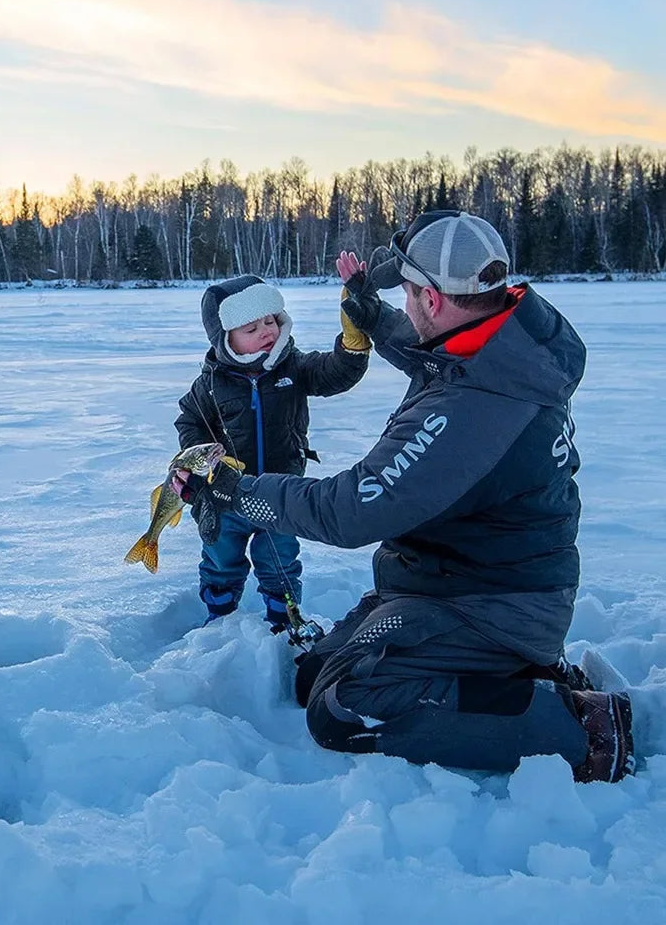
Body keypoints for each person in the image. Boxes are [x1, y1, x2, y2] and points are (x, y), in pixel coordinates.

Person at [175, 211, 633, 783]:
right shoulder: (502, 346)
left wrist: (234, 491)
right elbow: (424, 347)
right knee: (312, 671)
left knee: (343, 709)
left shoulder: (469, 409)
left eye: (410, 292)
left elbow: (348, 512)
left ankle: (577, 727)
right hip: (444, 581)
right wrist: (371, 314)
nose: (407, 304)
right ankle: (508, 676)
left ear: (434, 299)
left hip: (491, 605)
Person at [174, 274, 372, 631]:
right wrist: (197, 460)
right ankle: (219, 619)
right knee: (220, 558)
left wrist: (353, 344)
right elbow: (190, 421)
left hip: (281, 495)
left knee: (280, 560)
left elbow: (336, 373)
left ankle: (285, 620)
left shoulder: (293, 367)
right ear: (225, 338)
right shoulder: (211, 384)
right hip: (225, 496)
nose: (267, 331)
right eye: (251, 328)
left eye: (270, 320)